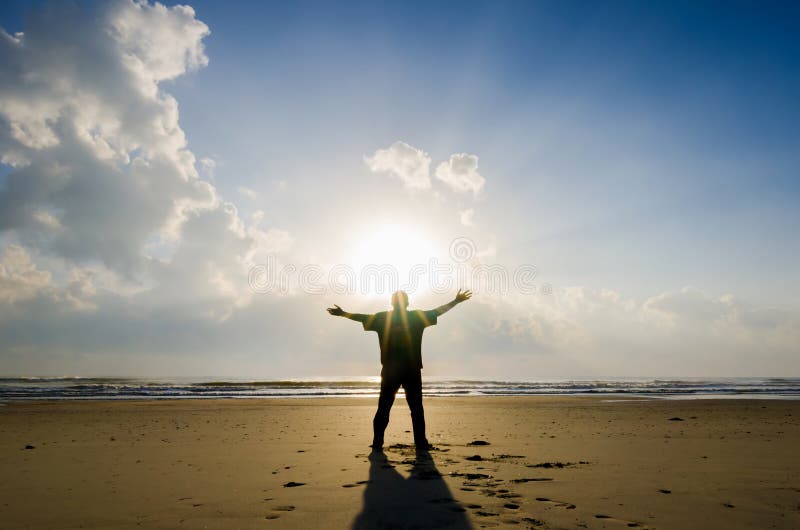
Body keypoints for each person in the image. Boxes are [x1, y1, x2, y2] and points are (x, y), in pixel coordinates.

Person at [327, 289, 472, 450]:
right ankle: (420, 443)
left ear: (392, 302)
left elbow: (361, 317)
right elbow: (438, 311)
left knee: (384, 407)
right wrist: (456, 301)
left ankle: (378, 442)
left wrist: (343, 313)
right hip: (411, 369)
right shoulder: (416, 317)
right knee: (415, 408)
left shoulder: (383, 318)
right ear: (407, 302)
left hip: (391, 369)